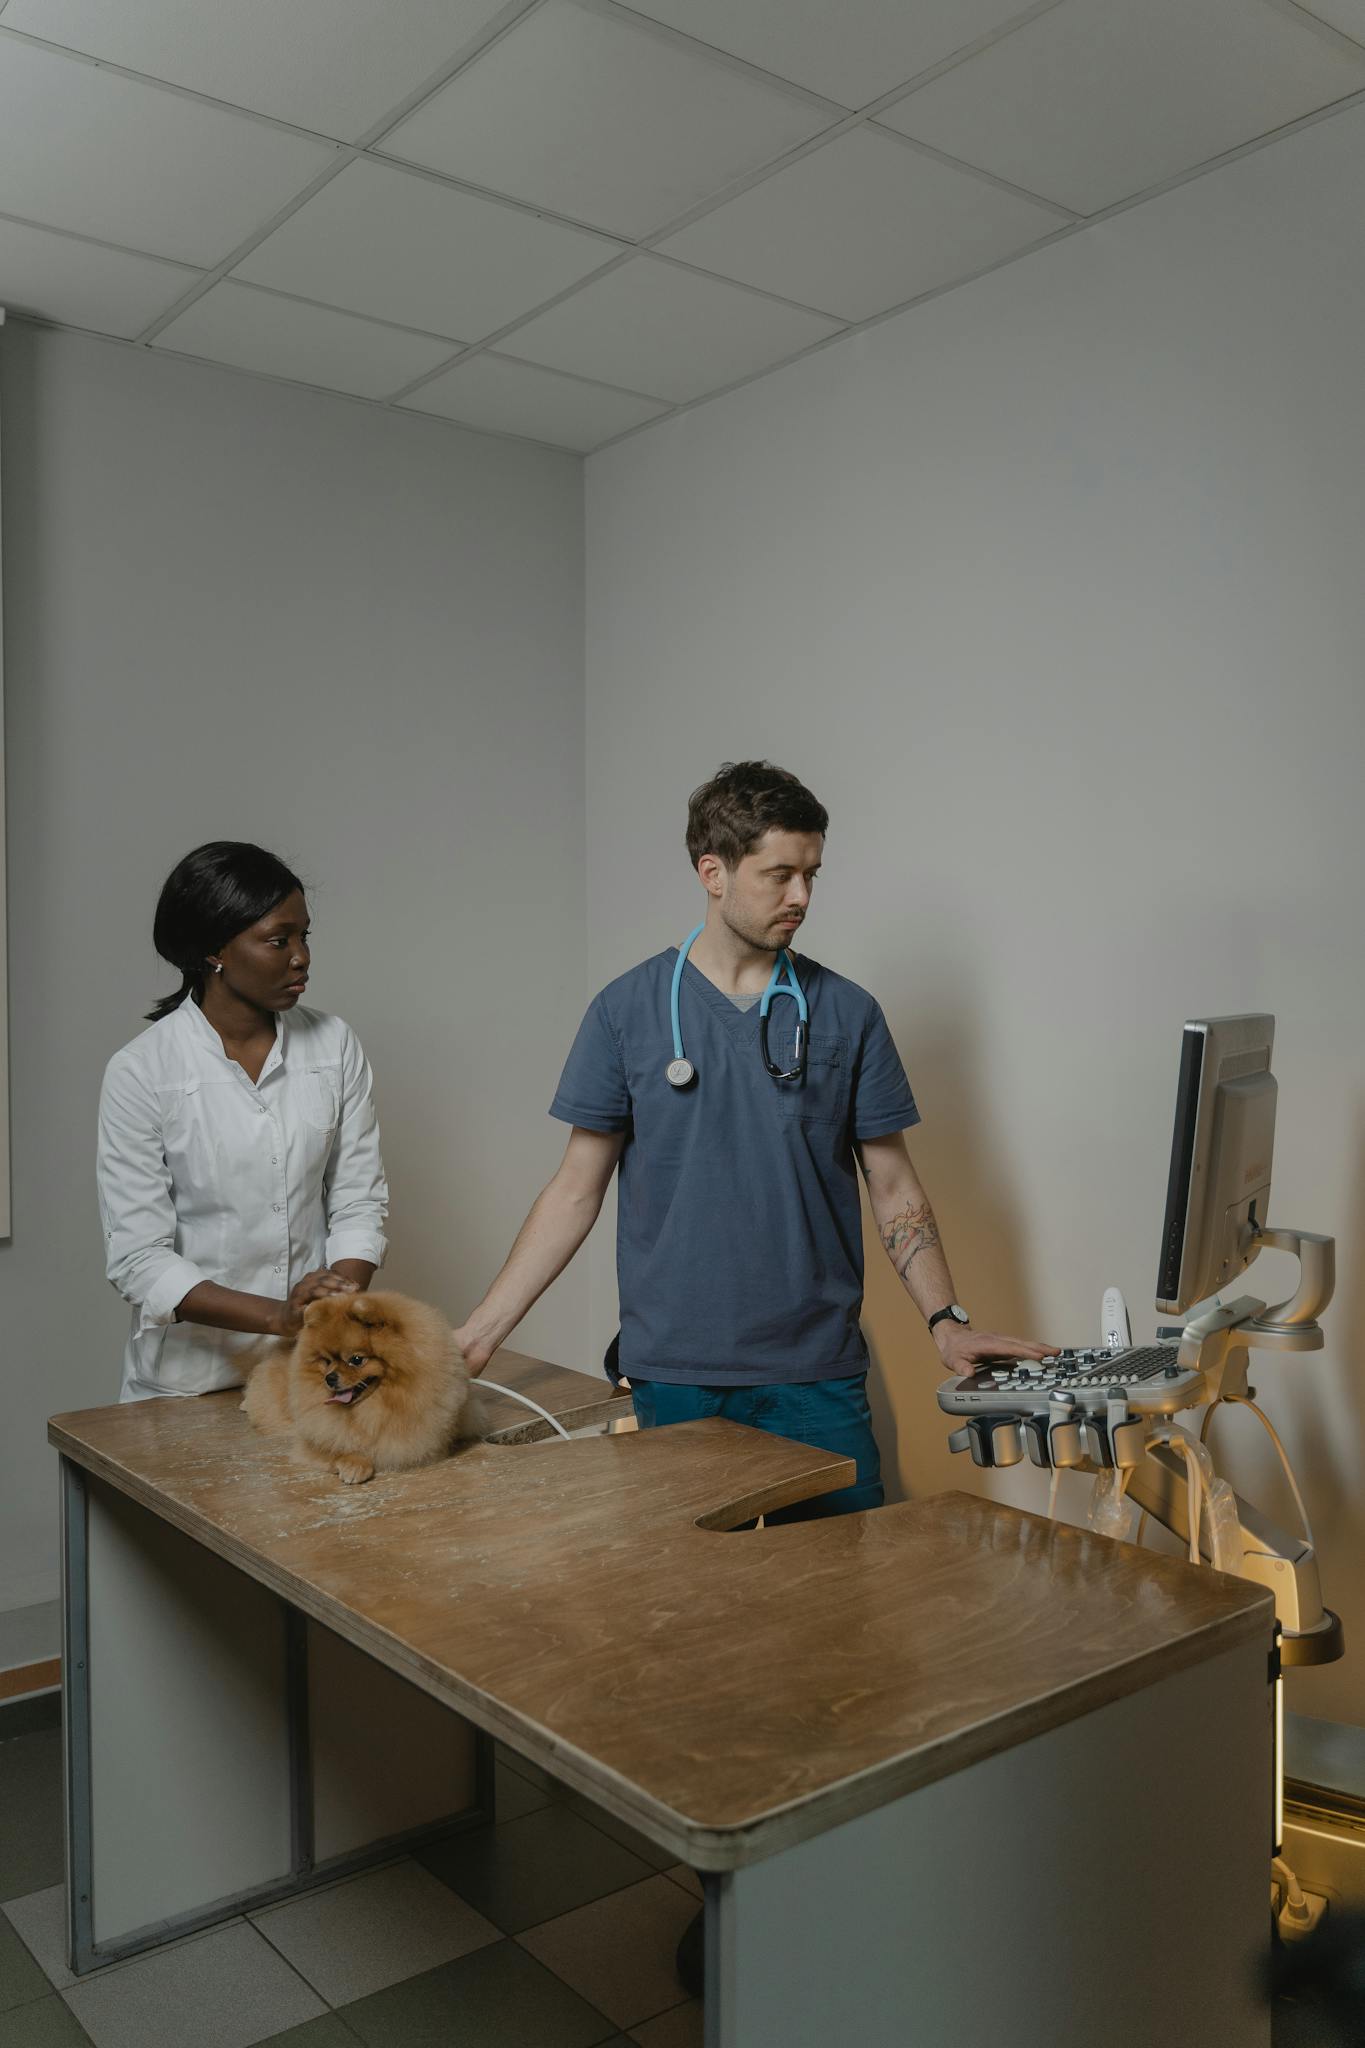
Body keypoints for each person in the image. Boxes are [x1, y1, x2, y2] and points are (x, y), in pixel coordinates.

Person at [455, 761, 1050, 1489]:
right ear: (713, 870)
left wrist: (945, 1320)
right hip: (674, 1375)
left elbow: (892, 1184)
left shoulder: (847, 1013)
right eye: (778, 875)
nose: (800, 896)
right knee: (687, 1598)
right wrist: (480, 1333)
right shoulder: (625, 1012)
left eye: (811, 875)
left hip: (814, 1375)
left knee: (840, 1592)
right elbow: (575, 1190)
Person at [97, 841, 388, 1402]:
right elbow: (140, 1259)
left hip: (312, 1375)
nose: (301, 957)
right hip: (187, 1386)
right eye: (279, 940)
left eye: (305, 936)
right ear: (214, 952)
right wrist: (280, 1316)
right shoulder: (142, 1071)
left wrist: (333, 1302)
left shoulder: (333, 1045)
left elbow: (358, 1202)